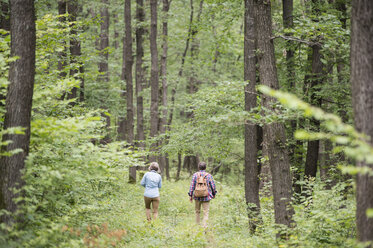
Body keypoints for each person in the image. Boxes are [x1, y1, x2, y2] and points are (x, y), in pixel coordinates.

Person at [188, 162, 217, 228]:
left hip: (197, 196)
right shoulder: (209, 175)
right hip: (206, 196)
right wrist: (214, 193)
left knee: (197, 211)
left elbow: (192, 186)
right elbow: (213, 185)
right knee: (205, 212)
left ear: (198, 167)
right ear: (205, 168)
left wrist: (190, 195)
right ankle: (204, 227)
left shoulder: (195, 175)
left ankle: (197, 227)